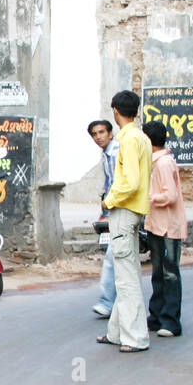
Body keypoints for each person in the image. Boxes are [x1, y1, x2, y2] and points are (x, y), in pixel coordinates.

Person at [96, 90, 152, 353]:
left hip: (124, 210)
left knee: (127, 279)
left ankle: (135, 338)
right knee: (124, 274)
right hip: (134, 211)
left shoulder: (128, 140)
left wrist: (109, 200)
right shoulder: (141, 137)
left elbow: (130, 181)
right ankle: (117, 333)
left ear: (116, 111)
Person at [143, 121, 187, 337]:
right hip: (156, 225)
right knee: (158, 273)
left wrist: (148, 198)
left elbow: (169, 196)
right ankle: (156, 317)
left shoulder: (163, 163)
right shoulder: (155, 162)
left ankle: (171, 321)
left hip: (168, 226)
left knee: (170, 274)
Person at [88, 119, 119, 318]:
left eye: (101, 132)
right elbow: (109, 184)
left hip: (121, 209)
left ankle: (108, 303)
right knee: (115, 258)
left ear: (110, 133)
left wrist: (110, 205)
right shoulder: (106, 154)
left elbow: (119, 183)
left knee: (111, 258)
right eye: (94, 134)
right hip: (112, 208)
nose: (98, 137)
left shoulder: (116, 153)